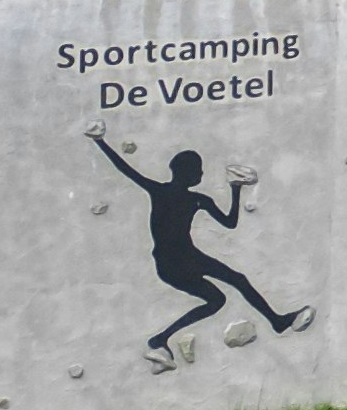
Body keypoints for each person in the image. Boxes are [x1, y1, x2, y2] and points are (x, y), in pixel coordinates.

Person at [88, 128, 312, 368]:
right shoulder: (160, 191)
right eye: (198, 169)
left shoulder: (198, 199)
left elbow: (229, 222)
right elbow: (125, 169)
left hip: (188, 256)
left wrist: (235, 190)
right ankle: (161, 338)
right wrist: (99, 140)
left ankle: (275, 321)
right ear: (185, 172)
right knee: (222, 294)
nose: (201, 173)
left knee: (232, 285)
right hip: (170, 263)